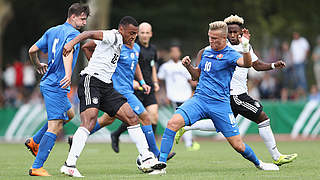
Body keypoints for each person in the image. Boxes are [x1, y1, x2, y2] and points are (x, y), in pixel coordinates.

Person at [152, 21, 280, 175]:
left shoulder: (231, 54)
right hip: (199, 100)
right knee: (172, 123)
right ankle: (161, 164)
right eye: (210, 38)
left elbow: (246, 64)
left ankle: (259, 164)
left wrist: (245, 46)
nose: (211, 41)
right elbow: (197, 76)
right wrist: (188, 67)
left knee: (238, 145)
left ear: (224, 38)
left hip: (220, 104)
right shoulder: (206, 52)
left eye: (215, 39)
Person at [175, 15, 297, 166]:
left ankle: (187, 126)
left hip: (235, 94)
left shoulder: (245, 46)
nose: (232, 35)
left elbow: (256, 65)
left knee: (220, 125)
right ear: (225, 34)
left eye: (235, 32)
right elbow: (203, 53)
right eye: (230, 32)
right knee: (263, 118)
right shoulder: (220, 47)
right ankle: (276, 156)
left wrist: (273, 65)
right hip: (234, 94)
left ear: (241, 33)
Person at [59, 16, 160, 177]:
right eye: (131, 33)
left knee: (132, 117)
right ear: (121, 30)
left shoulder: (125, 43)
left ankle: (147, 157)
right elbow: (88, 35)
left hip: (106, 85)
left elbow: (89, 46)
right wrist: (71, 44)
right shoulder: (113, 36)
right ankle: (69, 164)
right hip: (91, 81)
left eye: (135, 33)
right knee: (90, 121)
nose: (134, 36)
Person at [25, 3, 90, 176]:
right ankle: (37, 167)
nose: (84, 23)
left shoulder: (53, 30)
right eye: (82, 19)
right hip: (56, 85)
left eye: (85, 19)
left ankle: (34, 141)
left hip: (50, 82)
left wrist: (37, 64)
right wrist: (68, 74)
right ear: (73, 16)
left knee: (69, 115)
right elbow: (66, 52)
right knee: (54, 126)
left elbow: (32, 50)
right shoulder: (73, 34)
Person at [110, 22, 161, 153]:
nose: (144, 35)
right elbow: (126, 68)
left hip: (147, 87)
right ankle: (116, 134)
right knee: (116, 119)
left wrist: (153, 82)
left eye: (147, 33)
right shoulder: (131, 47)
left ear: (151, 34)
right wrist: (135, 82)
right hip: (132, 89)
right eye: (141, 32)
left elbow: (152, 66)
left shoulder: (152, 49)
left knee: (152, 115)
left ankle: (151, 151)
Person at [158, 45, 200, 151]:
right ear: (170, 53)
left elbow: (191, 80)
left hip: (186, 95)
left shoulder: (184, 65)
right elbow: (159, 81)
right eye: (173, 52)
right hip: (174, 97)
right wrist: (163, 94)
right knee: (182, 119)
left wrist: (195, 90)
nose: (175, 54)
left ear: (180, 53)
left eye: (177, 52)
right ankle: (188, 143)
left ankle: (188, 142)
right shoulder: (165, 67)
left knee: (185, 119)